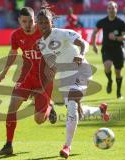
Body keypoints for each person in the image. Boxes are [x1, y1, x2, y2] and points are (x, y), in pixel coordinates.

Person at [36, 3, 110, 158]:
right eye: (40, 22)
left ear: (52, 22)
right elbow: (53, 65)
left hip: (81, 69)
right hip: (65, 79)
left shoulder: (62, 33)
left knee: (71, 107)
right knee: (76, 112)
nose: (43, 25)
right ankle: (100, 110)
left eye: (46, 22)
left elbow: (84, 43)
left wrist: (81, 54)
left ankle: (67, 147)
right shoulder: (41, 44)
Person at [0, 7, 57, 156]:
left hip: (44, 78)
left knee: (39, 120)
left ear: (34, 20)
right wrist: (4, 72)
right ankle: (8, 145)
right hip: (26, 76)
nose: (28, 24)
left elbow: (57, 52)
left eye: (30, 21)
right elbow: (13, 52)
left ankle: (49, 105)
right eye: (24, 21)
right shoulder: (16, 35)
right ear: (19, 21)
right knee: (12, 106)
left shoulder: (44, 32)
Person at [92, 1, 125, 99]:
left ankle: (118, 92)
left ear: (116, 9)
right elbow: (94, 32)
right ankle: (110, 81)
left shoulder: (121, 22)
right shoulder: (103, 21)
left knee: (118, 73)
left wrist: (116, 38)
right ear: (107, 10)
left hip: (118, 49)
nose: (111, 10)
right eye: (109, 8)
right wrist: (94, 44)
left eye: (113, 8)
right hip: (106, 49)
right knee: (107, 67)